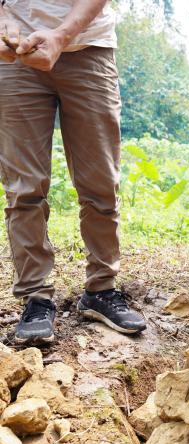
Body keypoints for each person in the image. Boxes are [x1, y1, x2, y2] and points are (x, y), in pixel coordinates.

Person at [0, 0, 147, 345]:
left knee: (101, 183)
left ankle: (101, 289)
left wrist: (62, 35)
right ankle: (36, 296)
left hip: (89, 48)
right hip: (16, 55)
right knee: (24, 187)